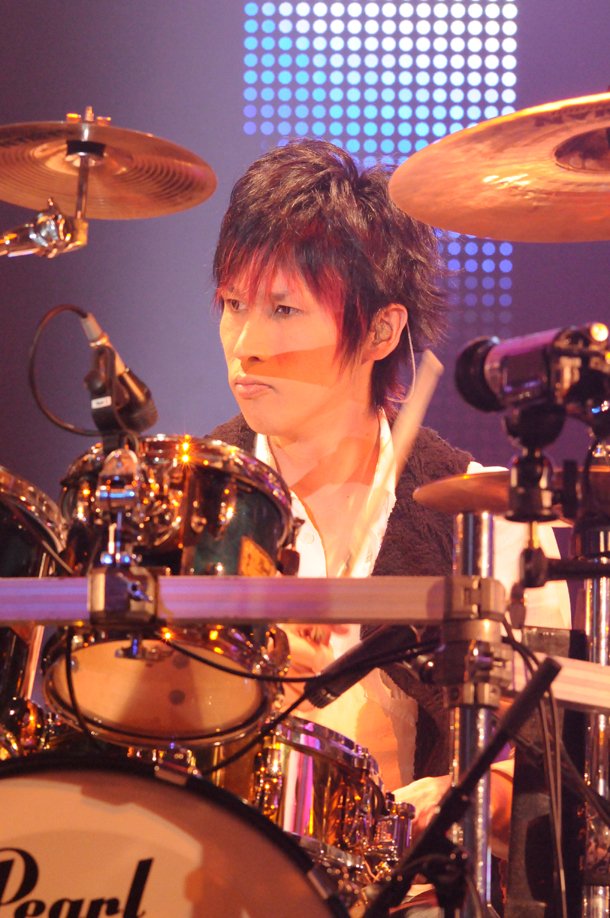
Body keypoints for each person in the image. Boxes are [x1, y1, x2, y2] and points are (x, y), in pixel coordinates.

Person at [207, 138, 570, 907]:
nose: (245, 345)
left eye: (282, 309)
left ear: (379, 331)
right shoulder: (189, 503)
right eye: (233, 304)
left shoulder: (488, 518)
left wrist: (464, 798)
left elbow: (544, 786)